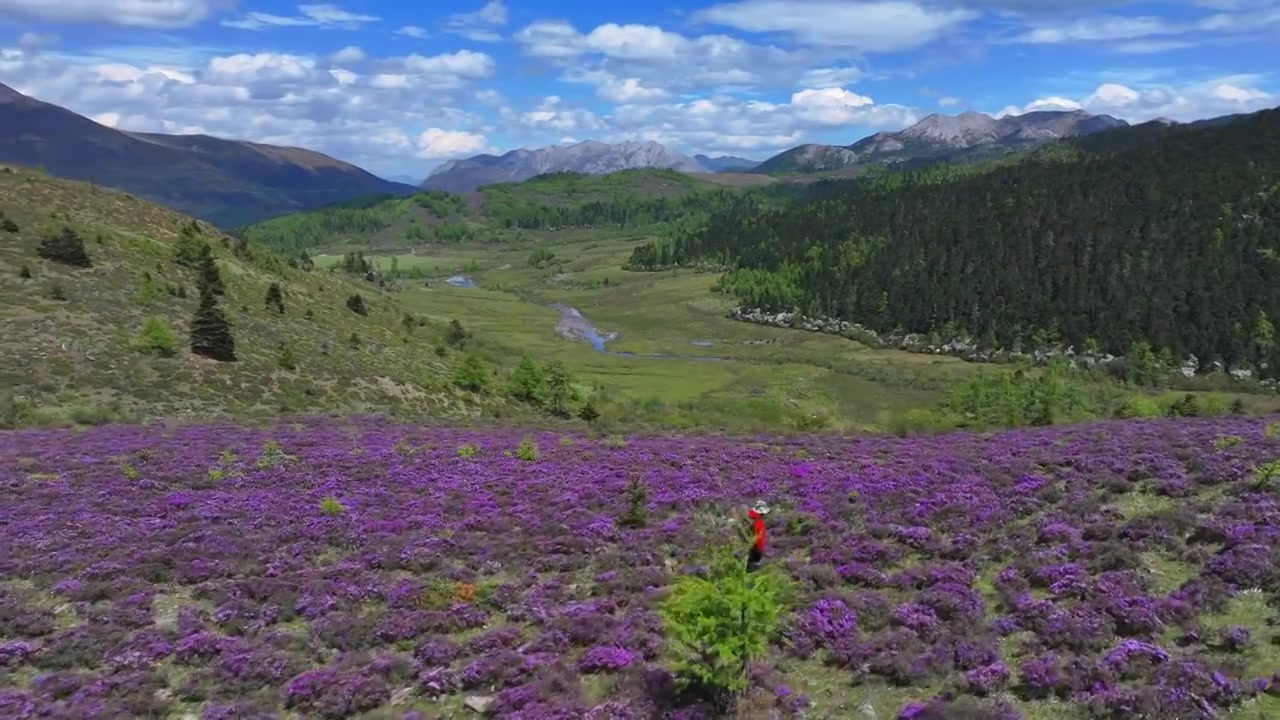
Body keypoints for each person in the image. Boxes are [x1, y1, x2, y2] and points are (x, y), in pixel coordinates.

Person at [746, 500, 770, 572]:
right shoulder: (759, 522)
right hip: (755, 547)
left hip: (748, 544)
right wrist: (760, 549)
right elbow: (759, 537)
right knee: (753, 566)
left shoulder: (749, 517)